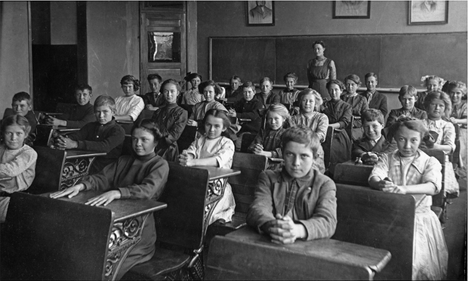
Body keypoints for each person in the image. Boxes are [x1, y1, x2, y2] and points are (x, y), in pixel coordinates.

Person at [50, 119, 169, 280]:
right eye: (134, 138)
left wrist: (116, 193)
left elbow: (147, 191)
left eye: (144, 140)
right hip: (116, 220)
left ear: (155, 142)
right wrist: (82, 186)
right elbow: (102, 178)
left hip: (139, 232)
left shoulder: (160, 164)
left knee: (100, 262)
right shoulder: (124, 160)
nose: (138, 143)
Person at [368, 117, 448, 280]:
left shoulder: (429, 162)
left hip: (419, 219)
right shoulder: (387, 158)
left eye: (413, 140)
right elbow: (374, 176)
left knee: (416, 264)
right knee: (390, 264)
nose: (407, 146)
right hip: (391, 218)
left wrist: (404, 189)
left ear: (421, 140)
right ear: (395, 138)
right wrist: (381, 184)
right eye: (402, 139)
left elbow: (432, 186)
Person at [246, 126, 337, 244]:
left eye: (304, 156)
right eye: (290, 154)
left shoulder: (324, 184)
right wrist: (274, 226)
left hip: (309, 249)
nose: (296, 163)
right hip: (271, 241)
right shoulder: (268, 177)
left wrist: (298, 230)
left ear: (314, 158)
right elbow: (257, 209)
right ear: (282, 154)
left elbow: (327, 221)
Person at [179, 109, 235, 225]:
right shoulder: (200, 140)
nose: (212, 129)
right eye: (208, 125)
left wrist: (193, 162)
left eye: (216, 126)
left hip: (217, 187)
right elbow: (191, 151)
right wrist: (187, 157)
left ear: (224, 128)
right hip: (197, 183)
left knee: (202, 214)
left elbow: (217, 161)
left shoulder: (227, 143)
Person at [52, 95, 125, 174]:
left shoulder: (118, 131)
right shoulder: (90, 126)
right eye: (97, 112)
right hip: (85, 164)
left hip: (106, 169)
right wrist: (63, 140)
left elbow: (104, 146)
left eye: (105, 112)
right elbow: (77, 136)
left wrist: (76, 144)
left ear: (113, 112)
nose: (101, 116)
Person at [0, 115, 37, 223]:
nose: (13, 138)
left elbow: (10, 170)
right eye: (9, 133)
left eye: (18, 133)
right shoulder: (1, 147)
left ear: (25, 134)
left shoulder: (29, 153)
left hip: (12, 200)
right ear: (3, 133)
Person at [423, 91, 459, 196]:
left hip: (441, 162)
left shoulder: (447, 126)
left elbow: (450, 147)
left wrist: (434, 147)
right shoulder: (420, 123)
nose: (437, 108)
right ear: (427, 106)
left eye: (441, 105)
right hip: (421, 159)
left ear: (445, 108)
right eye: (433, 104)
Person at [291, 89, 329, 173]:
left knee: (310, 171)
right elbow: (292, 135)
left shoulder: (321, 117)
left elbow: (321, 135)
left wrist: (305, 140)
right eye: (304, 100)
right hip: (296, 149)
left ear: (315, 103)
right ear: (300, 102)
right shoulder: (294, 119)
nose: (307, 103)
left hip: (315, 151)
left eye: (311, 101)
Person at [151, 79, 188, 162]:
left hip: (168, 149)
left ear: (177, 93)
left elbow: (173, 136)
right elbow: (151, 129)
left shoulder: (182, 112)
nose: (169, 94)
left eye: (172, 91)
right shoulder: (158, 111)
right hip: (154, 145)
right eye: (166, 91)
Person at [321, 79, 352, 175]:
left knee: (333, 149)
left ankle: (335, 172)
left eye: (336, 90)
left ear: (341, 90)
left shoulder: (346, 106)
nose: (333, 92)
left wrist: (329, 126)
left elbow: (344, 122)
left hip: (339, 134)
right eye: (331, 90)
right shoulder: (324, 104)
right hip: (324, 132)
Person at [447, 81, 467, 180]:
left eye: (458, 93)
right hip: (449, 129)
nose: (455, 95)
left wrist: (457, 120)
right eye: (452, 93)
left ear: (462, 94)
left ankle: (461, 168)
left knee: (460, 144)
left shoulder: (465, 106)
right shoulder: (446, 104)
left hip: (463, 131)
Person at [342, 74, 369, 140]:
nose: (350, 87)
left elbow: (366, 116)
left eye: (352, 84)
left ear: (357, 86)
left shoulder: (362, 99)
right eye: (348, 84)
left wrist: (353, 123)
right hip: (342, 127)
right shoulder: (341, 98)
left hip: (357, 128)